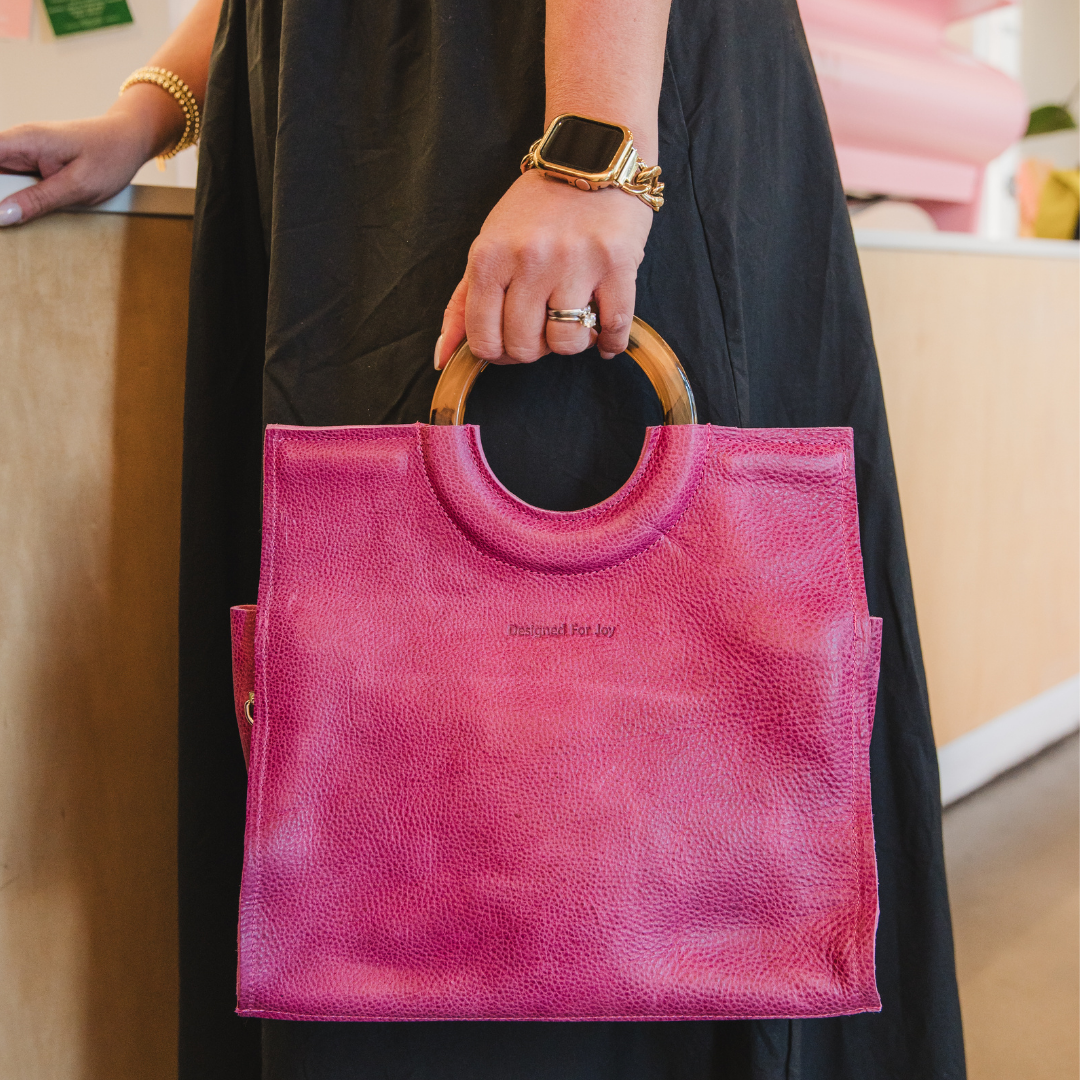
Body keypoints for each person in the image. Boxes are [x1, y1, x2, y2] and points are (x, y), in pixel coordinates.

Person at [0, 0, 968, 1077]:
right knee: (359, 704)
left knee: (589, 726)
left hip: (524, 88)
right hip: (345, 121)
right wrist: (156, 108)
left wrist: (591, 147)